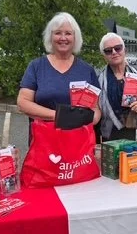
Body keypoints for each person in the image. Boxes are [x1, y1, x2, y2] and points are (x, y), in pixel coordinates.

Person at [18, 12, 102, 143]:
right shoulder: (36, 66)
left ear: (75, 37)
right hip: (44, 143)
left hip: (78, 142)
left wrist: (91, 119)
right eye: (58, 33)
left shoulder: (87, 70)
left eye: (68, 33)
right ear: (50, 37)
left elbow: (95, 108)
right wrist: (60, 116)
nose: (63, 38)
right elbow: (23, 102)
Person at [97, 33, 137, 141]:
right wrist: (97, 144)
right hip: (110, 142)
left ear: (124, 50)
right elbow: (96, 120)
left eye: (118, 48)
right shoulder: (98, 81)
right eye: (108, 50)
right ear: (104, 56)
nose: (114, 52)